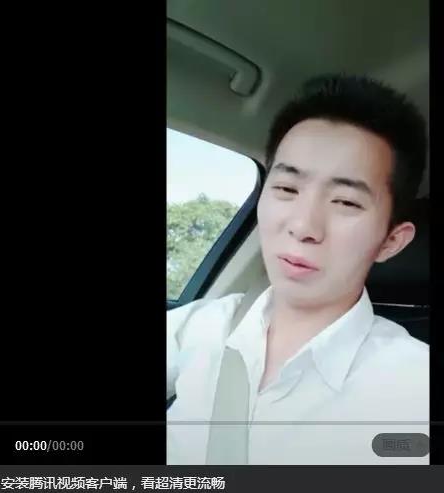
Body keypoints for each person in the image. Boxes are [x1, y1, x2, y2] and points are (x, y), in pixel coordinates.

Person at [167, 74, 429, 465]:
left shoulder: (414, 387)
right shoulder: (202, 325)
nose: (303, 226)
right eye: (287, 189)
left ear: (391, 241)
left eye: (346, 202)